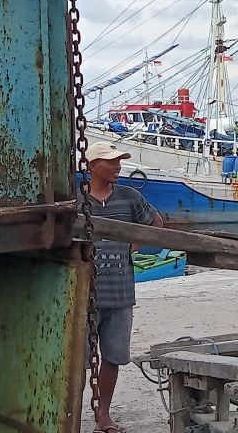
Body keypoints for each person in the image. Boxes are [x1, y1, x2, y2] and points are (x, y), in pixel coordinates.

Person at [84, 141, 164, 433]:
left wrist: (130, 247)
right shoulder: (79, 201)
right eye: (110, 161)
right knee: (76, 360)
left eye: (119, 161)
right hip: (82, 295)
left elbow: (155, 221)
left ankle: (103, 416)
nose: (117, 166)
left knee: (114, 356)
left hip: (120, 294)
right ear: (92, 166)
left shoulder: (129, 197)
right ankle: (67, 415)